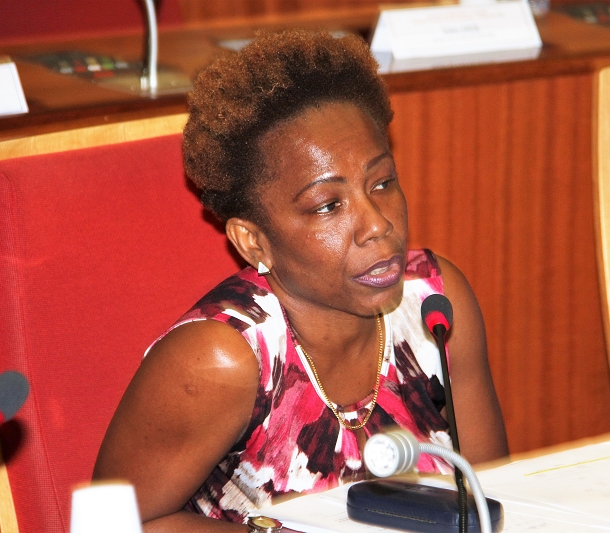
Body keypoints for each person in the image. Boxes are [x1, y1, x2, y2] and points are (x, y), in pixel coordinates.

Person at [93, 29, 508, 532]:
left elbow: (493, 497)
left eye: (382, 182)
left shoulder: (435, 304)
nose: (378, 224)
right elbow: (110, 526)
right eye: (327, 206)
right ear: (253, 241)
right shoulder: (222, 361)